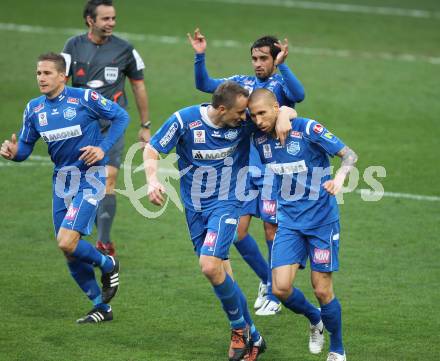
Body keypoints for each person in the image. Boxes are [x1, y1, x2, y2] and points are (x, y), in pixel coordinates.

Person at [144, 81, 295, 361]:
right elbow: (152, 150)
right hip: (194, 208)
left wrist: (285, 114)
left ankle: (239, 330)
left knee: (209, 265)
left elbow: (280, 110)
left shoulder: (244, 121)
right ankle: (253, 335)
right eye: (239, 112)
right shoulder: (184, 121)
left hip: (228, 201)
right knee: (221, 273)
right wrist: (152, 180)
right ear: (221, 109)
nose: (245, 117)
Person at [0, 53, 128, 323]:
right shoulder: (34, 109)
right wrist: (14, 152)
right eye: (38, 73)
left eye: (47, 73)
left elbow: (121, 117)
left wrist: (102, 148)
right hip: (62, 181)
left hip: (90, 176)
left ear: (62, 76)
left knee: (66, 241)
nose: (41, 78)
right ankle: (101, 308)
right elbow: (25, 147)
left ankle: (108, 264)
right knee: (68, 250)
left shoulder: (84, 99)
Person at [188, 28, 305, 315]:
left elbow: (299, 95)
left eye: (263, 58)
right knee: (238, 232)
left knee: (271, 227)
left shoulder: (279, 83)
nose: (257, 63)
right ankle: (267, 280)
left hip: (273, 169)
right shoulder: (241, 83)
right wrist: (199, 56)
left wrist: (284, 65)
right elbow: (205, 85)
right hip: (246, 169)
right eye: (254, 58)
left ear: (274, 59)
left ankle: (276, 294)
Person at [248, 88, 358, 361]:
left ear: (276, 107)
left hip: (322, 223)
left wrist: (341, 178)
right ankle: (315, 319)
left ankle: (337, 349)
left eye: (263, 112)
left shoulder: (308, 129)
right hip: (289, 223)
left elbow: (349, 155)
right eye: (254, 115)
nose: (258, 119)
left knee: (322, 289)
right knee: (279, 288)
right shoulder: (259, 139)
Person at [61, 0, 150, 256]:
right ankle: (76, 227)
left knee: (108, 180)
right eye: (105, 19)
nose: (111, 23)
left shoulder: (125, 50)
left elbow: (138, 86)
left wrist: (145, 125)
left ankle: (103, 241)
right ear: (91, 20)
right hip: (81, 127)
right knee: (82, 181)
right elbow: (60, 83)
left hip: (111, 125)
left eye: (113, 18)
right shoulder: (72, 46)